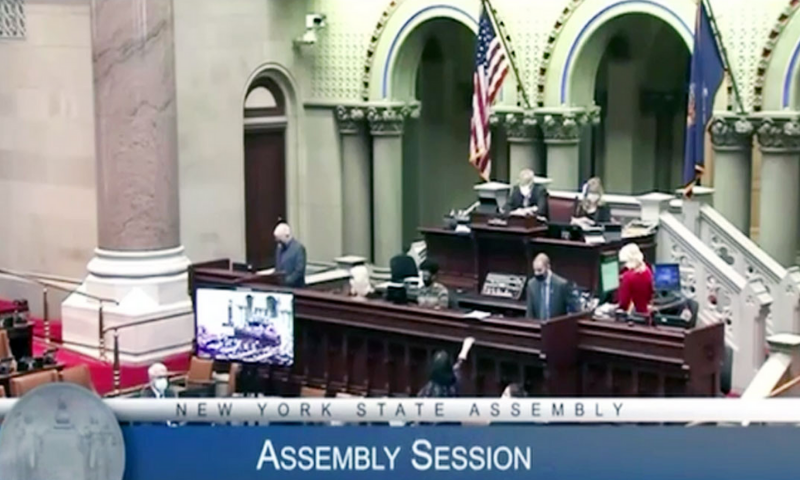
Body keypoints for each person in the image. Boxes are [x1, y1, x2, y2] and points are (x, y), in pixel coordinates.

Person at [525, 253, 573, 320]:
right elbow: (530, 313)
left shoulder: (561, 285)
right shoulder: (532, 285)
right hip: (538, 326)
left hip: (557, 327)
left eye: (539, 270)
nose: (536, 273)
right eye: (535, 270)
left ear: (548, 267)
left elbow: (571, 311)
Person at [617, 243, 654, 315]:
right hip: (645, 313)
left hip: (634, 316)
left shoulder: (628, 277)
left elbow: (624, 304)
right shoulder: (647, 270)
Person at [274, 223, 306, 288]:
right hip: (280, 288)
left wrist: (286, 281)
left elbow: (299, 271)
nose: (277, 241)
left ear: (287, 235)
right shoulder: (279, 249)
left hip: (295, 289)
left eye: (280, 239)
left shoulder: (299, 248)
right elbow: (277, 268)